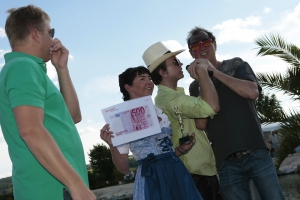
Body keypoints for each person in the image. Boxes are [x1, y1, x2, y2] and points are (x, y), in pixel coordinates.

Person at [0, 5, 96, 200]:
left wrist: (62, 69)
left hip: (57, 188)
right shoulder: (23, 67)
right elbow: (31, 130)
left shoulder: (27, 69)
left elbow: (73, 117)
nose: (53, 39)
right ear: (36, 34)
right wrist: (75, 185)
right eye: (50, 32)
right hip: (52, 189)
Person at [187, 26, 284, 199]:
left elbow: (252, 92)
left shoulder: (237, 65)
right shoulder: (195, 87)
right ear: (191, 53)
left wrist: (214, 73)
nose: (202, 47)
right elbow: (201, 124)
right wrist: (203, 80)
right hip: (226, 162)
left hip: (257, 153)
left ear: (214, 45)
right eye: (195, 46)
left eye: (206, 42)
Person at [100, 66, 203, 200]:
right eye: (142, 79)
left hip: (176, 172)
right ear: (128, 87)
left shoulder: (161, 113)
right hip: (151, 178)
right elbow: (124, 169)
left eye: (149, 78)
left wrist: (180, 150)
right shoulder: (120, 120)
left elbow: (166, 153)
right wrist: (112, 146)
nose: (149, 82)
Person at [142, 42, 223, 200]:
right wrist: (202, 72)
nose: (181, 64)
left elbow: (200, 123)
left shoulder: (173, 97)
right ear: (162, 72)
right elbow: (213, 107)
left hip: (197, 172)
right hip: (195, 174)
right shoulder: (171, 100)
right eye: (175, 62)